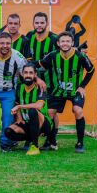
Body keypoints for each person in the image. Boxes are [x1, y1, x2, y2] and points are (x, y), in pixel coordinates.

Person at [0, 32, 45, 152]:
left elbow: (28, 69)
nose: (5, 46)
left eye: (8, 43)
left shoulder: (18, 56)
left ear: (11, 44)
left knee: (8, 117)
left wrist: (38, 79)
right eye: (2, 43)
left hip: (8, 91)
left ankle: (6, 143)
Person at [37, 31, 94, 153]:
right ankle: (50, 141)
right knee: (50, 113)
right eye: (62, 41)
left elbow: (91, 70)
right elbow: (39, 64)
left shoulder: (80, 56)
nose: (65, 43)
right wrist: (27, 65)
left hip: (75, 91)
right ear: (58, 43)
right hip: (58, 91)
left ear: (72, 43)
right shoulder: (52, 55)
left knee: (77, 110)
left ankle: (80, 143)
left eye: (68, 41)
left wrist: (82, 86)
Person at [26, 12, 59, 150]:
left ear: (47, 24)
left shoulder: (53, 39)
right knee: (33, 110)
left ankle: (52, 139)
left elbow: (58, 58)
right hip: (33, 82)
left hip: (51, 82)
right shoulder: (29, 36)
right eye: (37, 23)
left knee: (51, 112)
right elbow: (28, 61)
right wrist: (36, 76)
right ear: (33, 23)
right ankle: (31, 137)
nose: (39, 25)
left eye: (42, 23)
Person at [5, 63, 53, 155]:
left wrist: (19, 107)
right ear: (22, 74)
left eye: (31, 73)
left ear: (35, 75)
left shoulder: (40, 87)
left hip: (43, 124)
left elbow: (39, 105)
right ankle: (30, 139)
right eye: (26, 72)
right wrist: (19, 117)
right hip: (27, 123)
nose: (28, 75)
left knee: (32, 111)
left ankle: (35, 146)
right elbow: (17, 103)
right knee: (8, 132)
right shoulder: (20, 87)